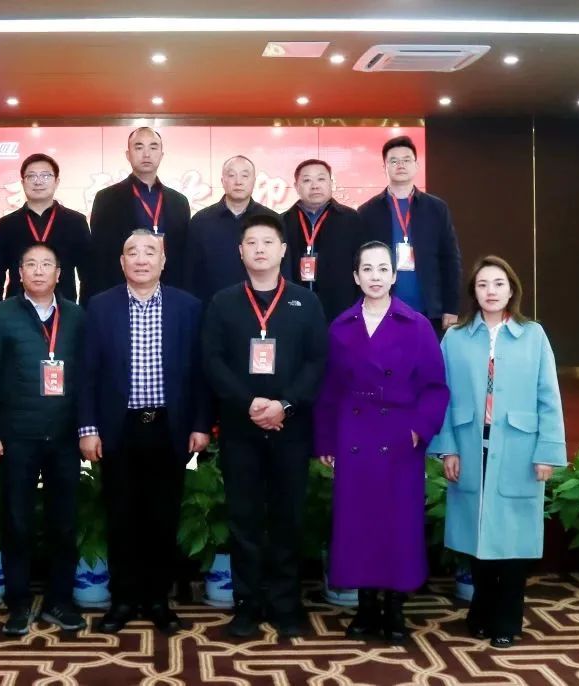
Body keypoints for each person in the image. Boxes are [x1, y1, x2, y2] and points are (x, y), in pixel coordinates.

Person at [314, 241, 450, 643]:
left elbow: (435, 387)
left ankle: (394, 608)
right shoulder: (340, 326)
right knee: (357, 523)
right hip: (354, 435)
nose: (375, 277)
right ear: (356, 277)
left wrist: (418, 430)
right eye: (367, 269)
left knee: (398, 524)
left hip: (399, 437)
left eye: (382, 269)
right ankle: (365, 607)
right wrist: (326, 439)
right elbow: (328, 390)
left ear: (394, 275)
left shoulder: (417, 325)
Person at [427, 255, 565, 648]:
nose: (491, 291)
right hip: (471, 447)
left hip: (520, 449)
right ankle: (481, 612)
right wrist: (447, 448)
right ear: (474, 291)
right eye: (483, 284)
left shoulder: (533, 335)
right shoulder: (455, 338)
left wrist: (547, 452)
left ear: (511, 289)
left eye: (499, 283)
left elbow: (548, 397)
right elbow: (442, 396)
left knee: (515, 540)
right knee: (477, 536)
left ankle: (507, 619)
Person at [78, 230, 212, 635]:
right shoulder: (100, 306)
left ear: (163, 261)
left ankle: (157, 600)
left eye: (150, 252)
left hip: (169, 427)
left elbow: (201, 372)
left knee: (162, 516)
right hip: (118, 428)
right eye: (132, 252)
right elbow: (87, 373)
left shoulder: (188, 306)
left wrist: (200, 424)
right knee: (121, 516)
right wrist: (88, 428)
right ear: (121, 262)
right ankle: (122, 599)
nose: (141, 259)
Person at [202, 214, 327, 639]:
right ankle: (247, 604)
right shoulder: (223, 303)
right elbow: (212, 361)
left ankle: (287, 604)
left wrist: (285, 405)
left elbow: (316, 361)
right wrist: (249, 403)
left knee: (288, 518)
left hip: (291, 429)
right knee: (245, 519)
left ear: (283, 250)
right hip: (241, 429)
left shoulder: (305, 302)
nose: (259, 249)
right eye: (251, 242)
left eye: (268, 242)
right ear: (240, 252)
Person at [0, 243, 87, 636]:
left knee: (64, 521)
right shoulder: (1, 314)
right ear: (19, 273)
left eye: (47, 264)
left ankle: (60, 600)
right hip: (17, 435)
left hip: (64, 435)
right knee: (17, 521)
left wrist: (87, 429)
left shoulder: (77, 316)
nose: (39, 271)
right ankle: (19, 603)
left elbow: (87, 378)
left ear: (60, 274)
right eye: (31, 264)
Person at [358, 136, 461, 337]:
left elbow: (450, 259)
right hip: (381, 311)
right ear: (384, 167)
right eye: (394, 161)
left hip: (429, 311)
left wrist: (451, 307)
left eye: (406, 160)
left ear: (416, 165)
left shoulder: (436, 208)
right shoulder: (367, 211)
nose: (400, 165)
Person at [86, 127, 191, 301]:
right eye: (139, 147)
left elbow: (184, 255)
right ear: (128, 155)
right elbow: (100, 256)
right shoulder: (107, 198)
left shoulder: (179, 201)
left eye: (153, 147)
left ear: (161, 155)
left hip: (170, 293)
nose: (146, 154)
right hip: (120, 293)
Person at [0, 153, 92, 304]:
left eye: (45, 176)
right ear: (23, 182)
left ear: (56, 182)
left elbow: (88, 274)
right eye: (31, 176)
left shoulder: (76, 222)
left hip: (63, 308)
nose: (38, 181)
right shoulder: (6, 224)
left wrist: (83, 311)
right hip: (16, 309)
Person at [184, 155, 282, 304]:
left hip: (263, 307)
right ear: (222, 181)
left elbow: (283, 269)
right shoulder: (201, 221)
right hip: (213, 307)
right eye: (231, 175)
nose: (238, 181)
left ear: (254, 181)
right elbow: (190, 274)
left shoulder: (272, 220)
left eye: (244, 175)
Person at [282, 159, 366, 321]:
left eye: (321, 179)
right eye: (307, 180)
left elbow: (362, 264)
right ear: (296, 186)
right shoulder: (283, 221)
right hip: (293, 309)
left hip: (341, 310)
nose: (315, 186)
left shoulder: (351, 219)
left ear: (331, 183)